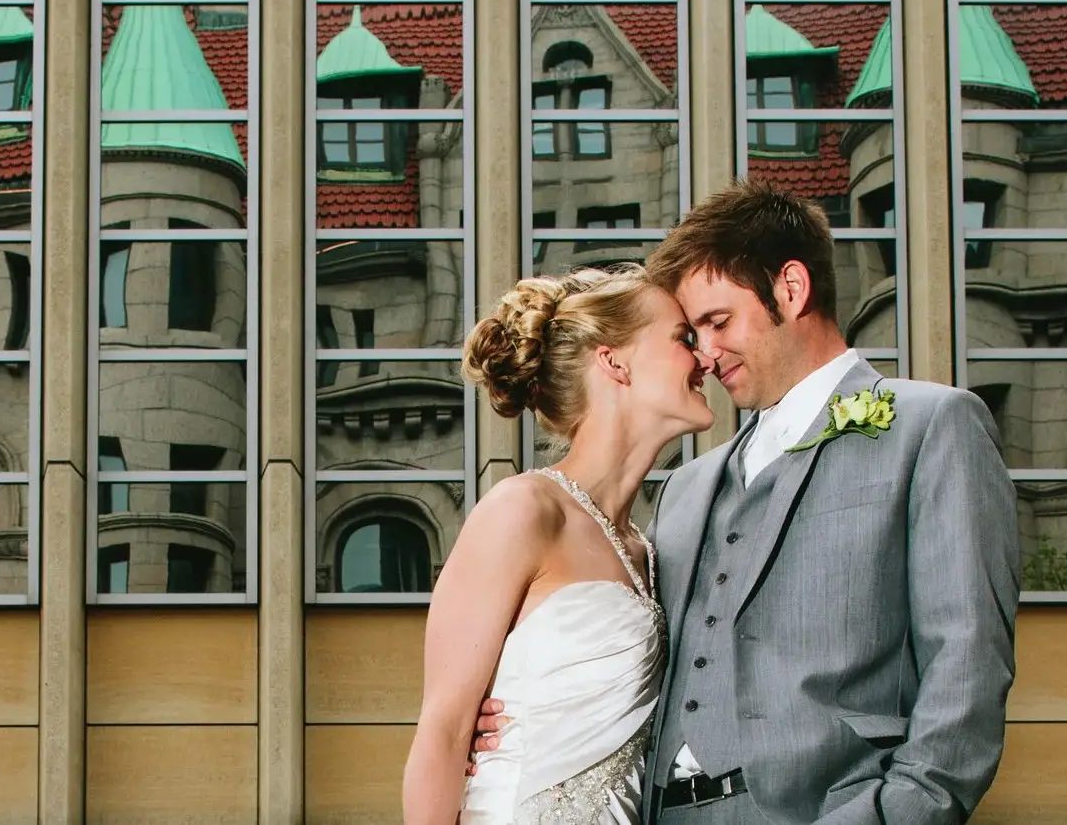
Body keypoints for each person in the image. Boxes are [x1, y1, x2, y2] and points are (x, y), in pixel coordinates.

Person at [471, 181, 1021, 824]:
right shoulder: (685, 487)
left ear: (791, 289)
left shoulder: (932, 427)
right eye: (691, 333)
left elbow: (968, 666)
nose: (704, 353)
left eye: (717, 321)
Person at [403, 265, 715, 825]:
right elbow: (444, 733)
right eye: (683, 338)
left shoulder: (648, 551)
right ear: (614, 360)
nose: (705, 357)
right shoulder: (523, 510)